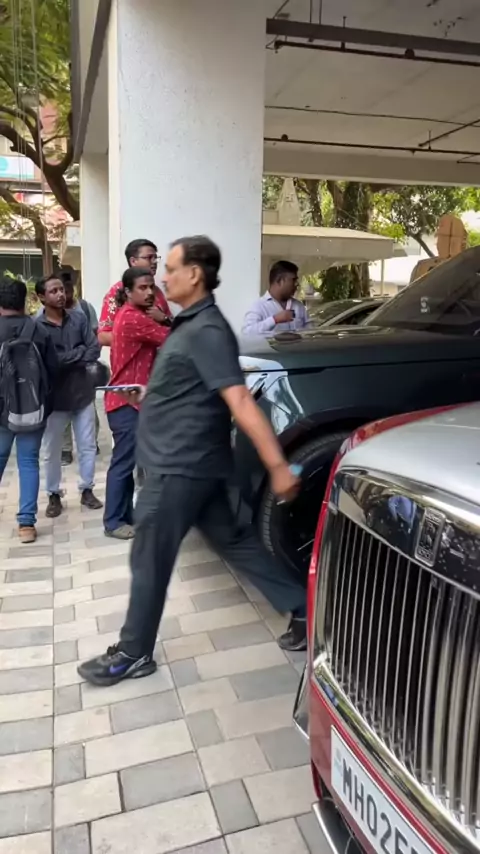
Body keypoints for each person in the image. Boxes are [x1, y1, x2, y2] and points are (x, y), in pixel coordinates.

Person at [78, 236, 307, 688]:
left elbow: (240, 400)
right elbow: (193, 386)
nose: (163, 277)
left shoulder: (207, 329)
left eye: (171, 268)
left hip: (180, 468)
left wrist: (278, 467)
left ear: (195, 274)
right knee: (235, 541)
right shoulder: (189, 324)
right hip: (195, 465)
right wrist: (152, 393)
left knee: (149, 557)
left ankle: (133, 652)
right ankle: (306, 607)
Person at [103, 267, 170, 540]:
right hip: (126, 403)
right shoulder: (133, 318)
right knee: (122, 464)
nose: (150, 292)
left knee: (127, 462)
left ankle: (126, 517)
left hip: (129, 401)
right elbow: (173, 339)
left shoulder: (132, 314)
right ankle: (113, 521)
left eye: (151, 286)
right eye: (142, 287)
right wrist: (166, 318)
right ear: (128, 292)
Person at [35, 274, 103, 517]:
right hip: (54, 399)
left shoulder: (79, 318)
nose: (60, 294)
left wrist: (68, 358)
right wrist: (77, 354)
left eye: (61, 290)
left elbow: (94, 349)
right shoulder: (36, 327)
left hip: (82, 392)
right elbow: (48, 363)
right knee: (51, 450)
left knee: (87, 445)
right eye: (53, 291)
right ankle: (53, 494)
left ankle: (87, 489)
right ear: (41, 297)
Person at [0, 277, 58, 543]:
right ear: (25, 300)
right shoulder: (39, 330)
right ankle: (26, 524)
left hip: (2, 410)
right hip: (33, 407)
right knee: (28, 461)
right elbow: (53, 371)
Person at [98, 239, 171, 348]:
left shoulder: (157, 292)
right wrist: (135, 335)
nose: (154, 262)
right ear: (133, 261)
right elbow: (103, 336)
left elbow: (172, 327)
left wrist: (164, 318)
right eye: (149, 258)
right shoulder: (117, 291)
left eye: (155, 258)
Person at [242, 260, 309, 336]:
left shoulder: (299, 306)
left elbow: (310, 331)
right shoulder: (259, 306)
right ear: (280, 281)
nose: (297, 284)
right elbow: (247, 333)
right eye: (293, 280)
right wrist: (274, 319)